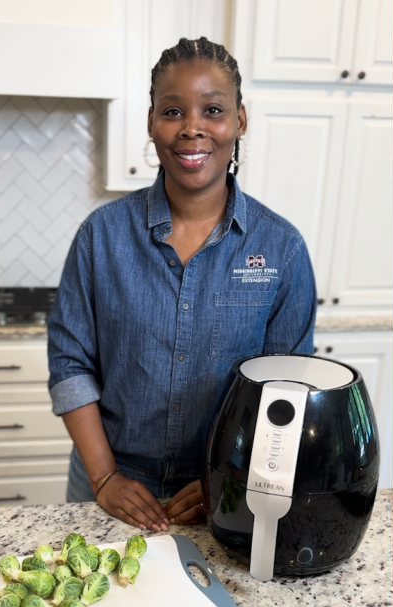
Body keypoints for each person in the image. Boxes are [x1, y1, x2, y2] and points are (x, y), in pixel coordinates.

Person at [47, 37, 317, 531]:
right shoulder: (101, 237)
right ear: (151, 121)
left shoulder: (282, 249)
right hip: (108, 488)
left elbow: (287, 390)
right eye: (173, 111)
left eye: (212, 109)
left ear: (239, 120)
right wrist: (106, 478)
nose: (192, 127)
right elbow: (69, 367)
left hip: (223, 494)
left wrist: (233, 478)